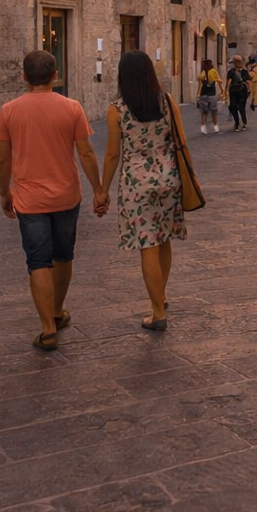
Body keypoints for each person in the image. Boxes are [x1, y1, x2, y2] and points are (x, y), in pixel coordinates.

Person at [0, 50, 104, 351]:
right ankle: (57, 310)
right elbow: (86, 153)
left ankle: (47, 328)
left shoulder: (9, 111)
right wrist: (98, 189)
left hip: (29, 200)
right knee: (63, 255)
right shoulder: (72, 108)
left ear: (24, 77)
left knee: (38, 261)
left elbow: (3, 159)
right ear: (55, 76)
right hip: (67, 195)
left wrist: (4, 192)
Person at [103, 50, 185, 332]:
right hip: (169, 178)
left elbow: (112, 154)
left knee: (147, 244)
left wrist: (102, 190)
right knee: (164, 239)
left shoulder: (117, 110)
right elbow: (181, 141)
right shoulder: (167, 102)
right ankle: (161, 295)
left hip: (137, 183)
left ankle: (158, 311)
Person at [222, 57, 250, 132]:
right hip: (239, 91)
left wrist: (226, 91)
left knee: (236, 107)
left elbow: (229, 82)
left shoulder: (234, 72)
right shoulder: (242, 71)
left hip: (236, 91)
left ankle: (239, 123)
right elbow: (248, 81)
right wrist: (249, 90)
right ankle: (241, 123)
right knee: (237, 107)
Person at [195, 58, 221, 135]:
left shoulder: (202, 74)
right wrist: (222, 90)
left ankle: (203, 127)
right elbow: (219, 81)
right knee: (214, 111)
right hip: (212, 94)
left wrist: (197, 95)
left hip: (203, 94)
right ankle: (215, 126)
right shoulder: (214, 71)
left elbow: (199, 85)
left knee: (204, 112)